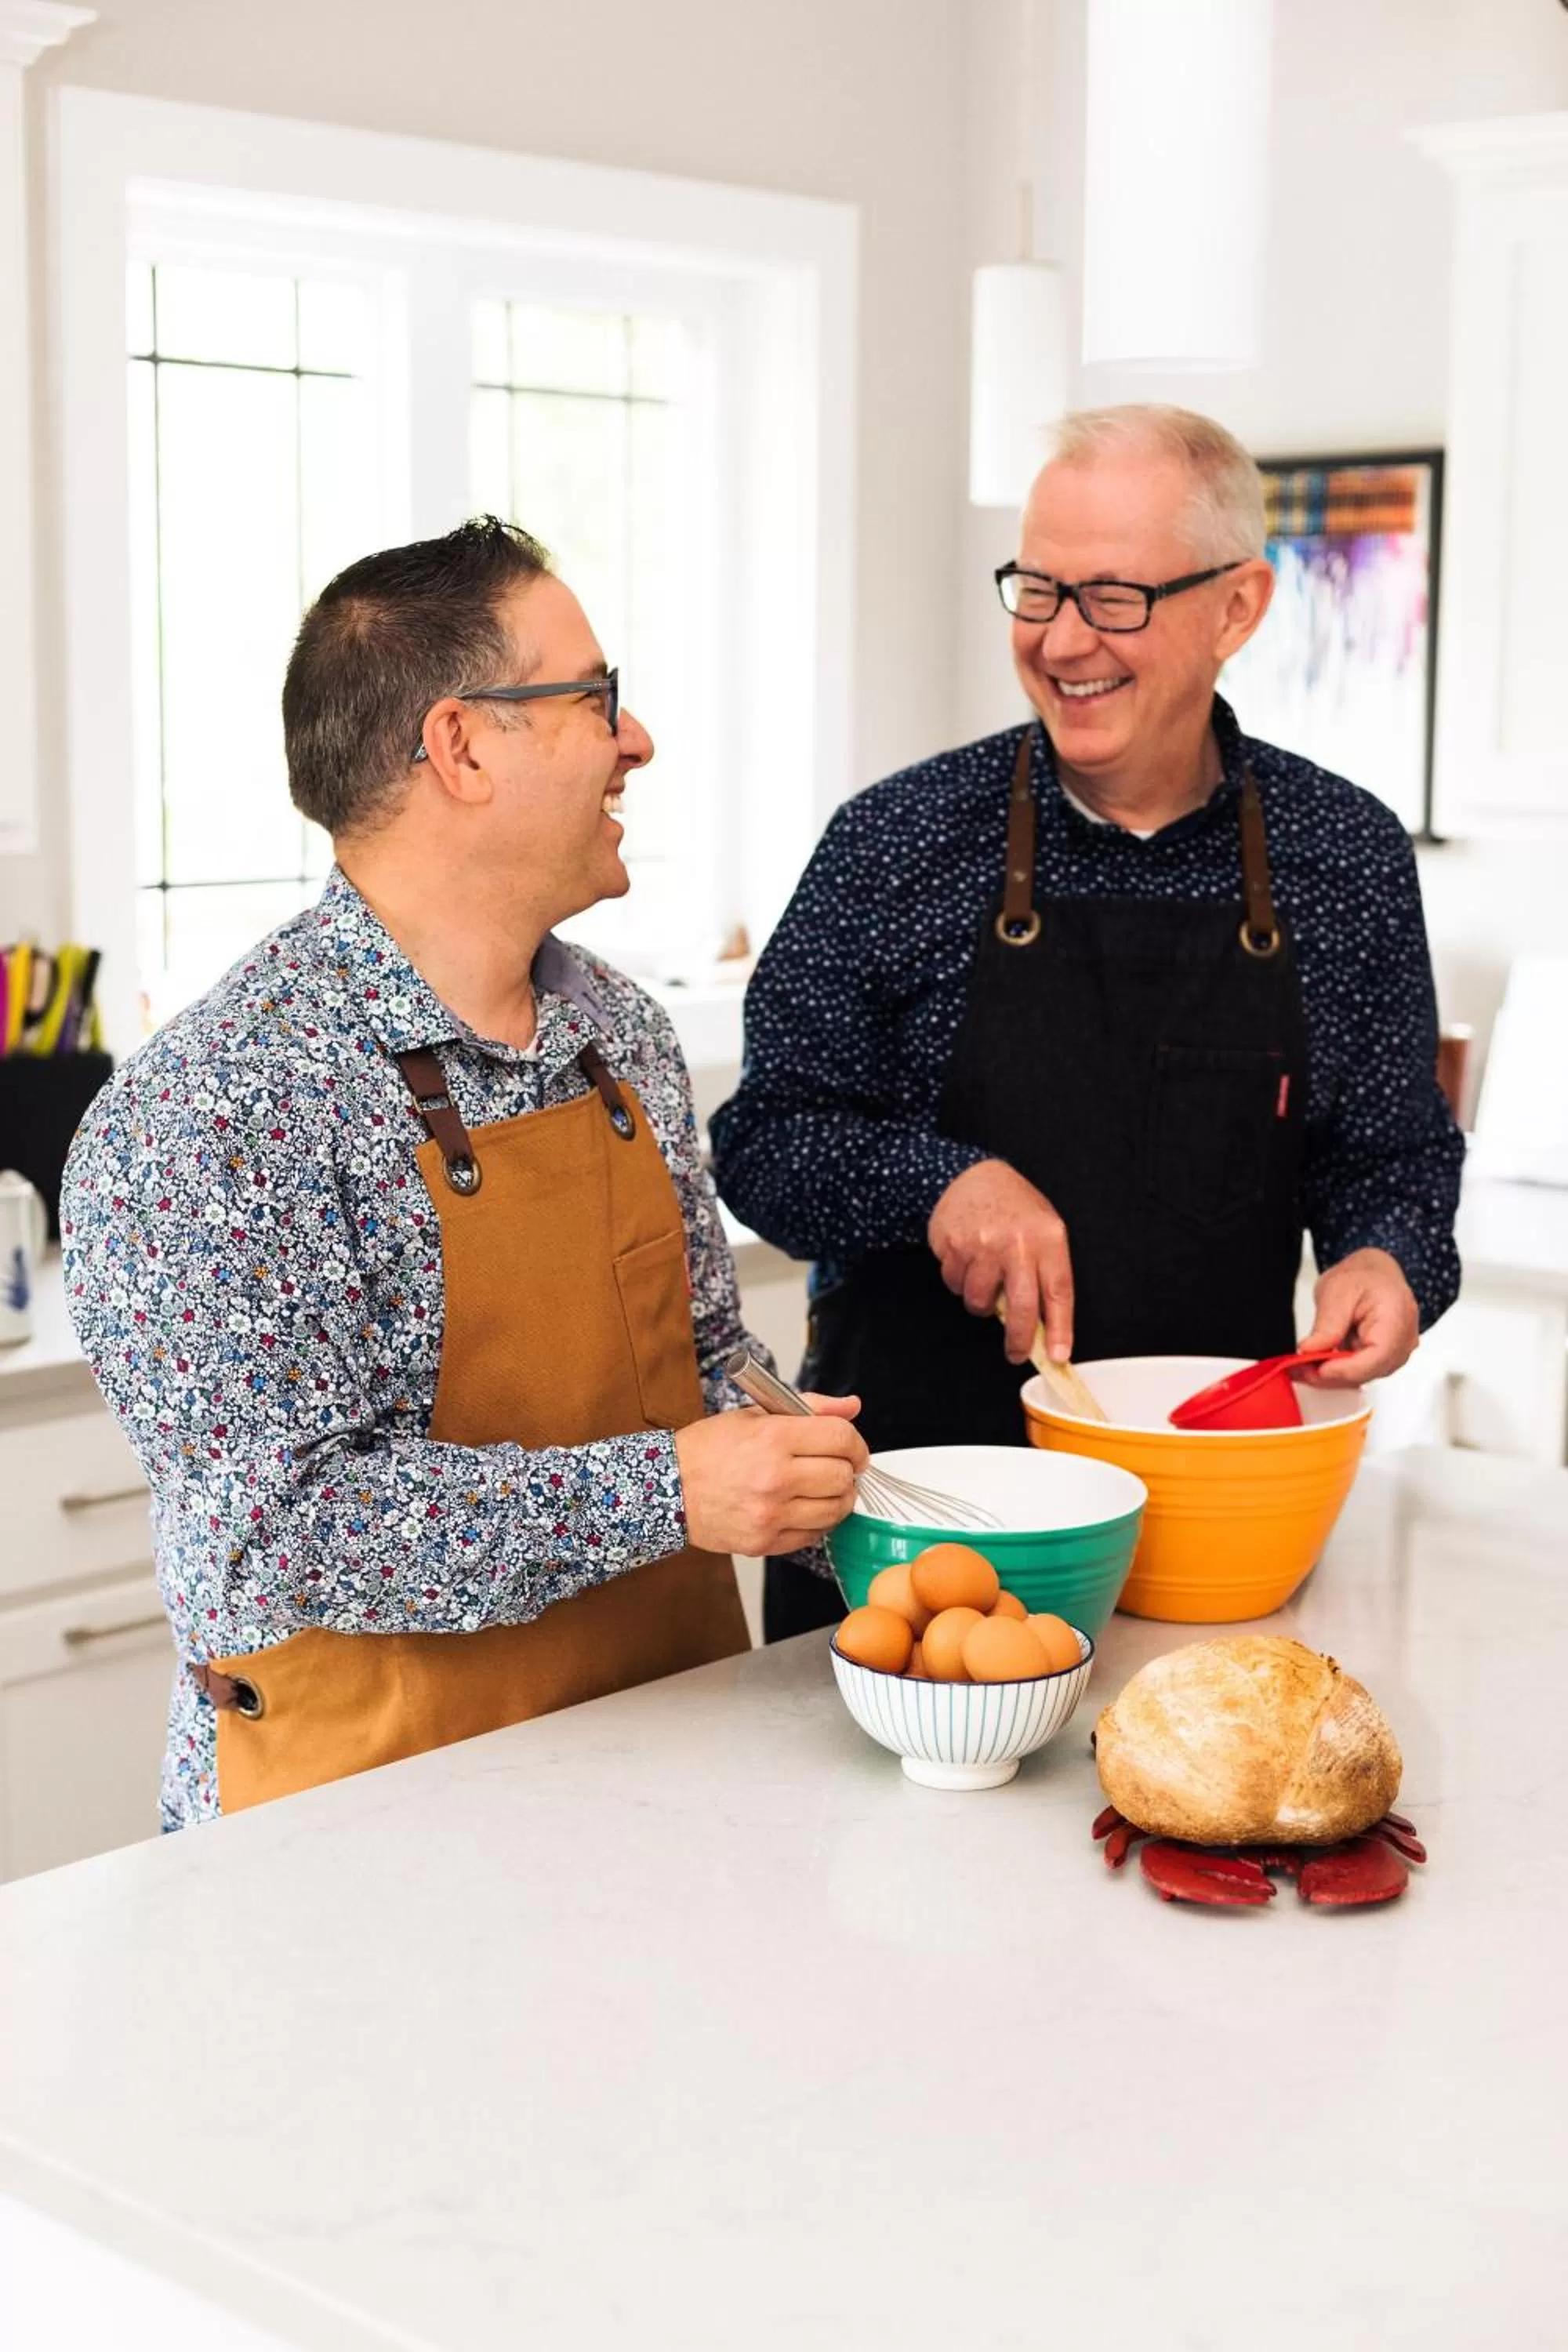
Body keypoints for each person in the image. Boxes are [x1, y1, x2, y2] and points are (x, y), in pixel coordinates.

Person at [61, 517, 866, 1824]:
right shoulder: (208, 1109)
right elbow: (287, 1526)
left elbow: (704, 1362)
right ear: (462, 746)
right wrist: (673, 1489)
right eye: (597, 699)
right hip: (360, 1828)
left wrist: (820, 1467)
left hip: (667, 1765)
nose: (638, 740)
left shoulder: (625, 1037)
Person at [710, 405, 1464, 1642]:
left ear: (1238, 608)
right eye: (1038, 591)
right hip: (910, 1525)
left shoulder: (1347, 856)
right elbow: (765, 1142)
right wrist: (941, 1184)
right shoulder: (895, 841)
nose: (1063, 641)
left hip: (1204, 1527)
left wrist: (1388, 1258)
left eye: (1114, 597)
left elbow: (1391, 1153)